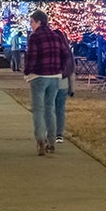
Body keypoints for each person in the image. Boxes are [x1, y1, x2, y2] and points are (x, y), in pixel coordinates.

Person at [24, 10, 70, 156]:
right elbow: (66, 54)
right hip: (55, 76)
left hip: (39, 76)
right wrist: (60, 68)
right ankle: (51, 142)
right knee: (50, 108)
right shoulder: (56, 36)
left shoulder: (35, 37)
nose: (31, 25)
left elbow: (31, 57)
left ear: (38, 22)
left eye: (31, 22)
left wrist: (27, 71)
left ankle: (40, 140)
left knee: (38, 109)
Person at [54, 28, 75, 143]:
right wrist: (72, 89)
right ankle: (59, 134)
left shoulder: (53, 51)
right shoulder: (67, 52)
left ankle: (50, 130)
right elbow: (71, 72)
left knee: (50, 108)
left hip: (52, 83)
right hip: (64, 84)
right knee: (60, 109)